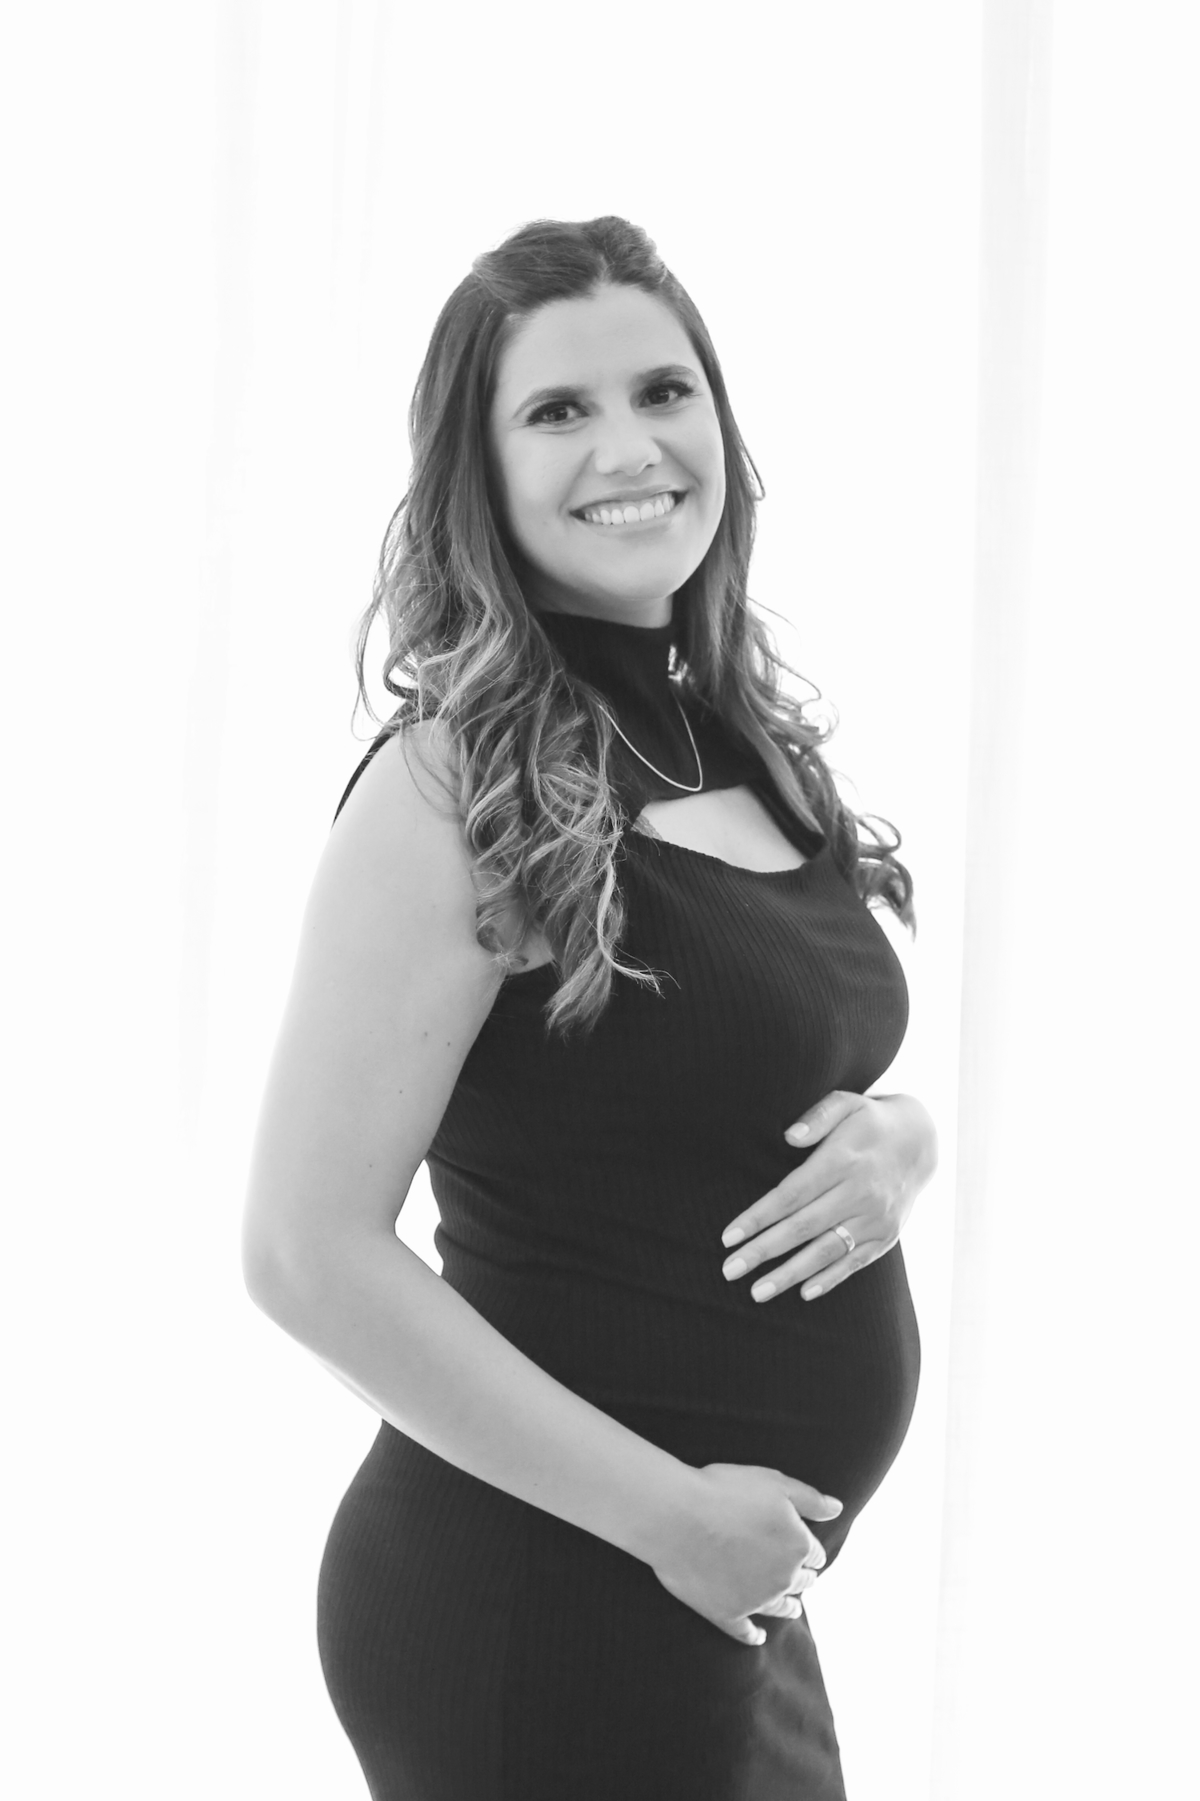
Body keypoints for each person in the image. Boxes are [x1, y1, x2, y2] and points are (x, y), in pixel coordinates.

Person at [241, 215, 938, 1801]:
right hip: (550, 1579)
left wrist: (902, 1138)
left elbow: (754, 1064)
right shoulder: (452, 781)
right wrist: (668, 1517)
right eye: (558, 410)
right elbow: (303, 1250)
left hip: (726, 1583)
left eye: (663, 391)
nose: (629, 446)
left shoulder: (741, 745)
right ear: (476, 473)